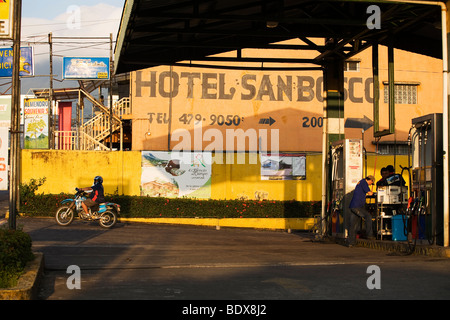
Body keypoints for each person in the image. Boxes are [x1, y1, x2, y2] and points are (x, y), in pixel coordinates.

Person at [347, 175, 375, 247]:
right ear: (370, 180)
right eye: (371, 183)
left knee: (352, 225)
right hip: (357, 207)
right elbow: (369, 193)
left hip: (353, 206)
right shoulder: (364, 183)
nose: (370, 184)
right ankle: (369, 235)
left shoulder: (360, 183)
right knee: (368, 216)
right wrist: (374, 193)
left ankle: (351, 243)